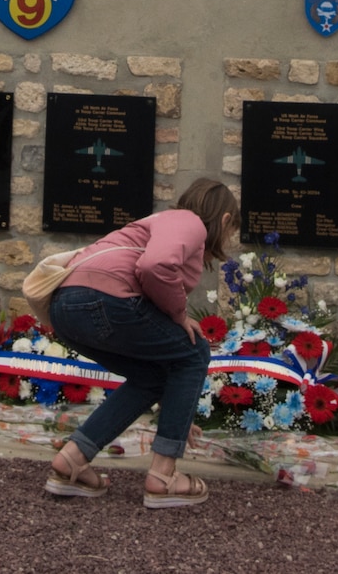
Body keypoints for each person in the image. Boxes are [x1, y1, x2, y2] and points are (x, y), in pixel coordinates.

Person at [43, 178, 237, 509]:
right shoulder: (189, 222)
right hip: (103, 302)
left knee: (152, 377)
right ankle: (163, 476)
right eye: (232, 230)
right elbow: (155, 265)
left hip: (65, 308)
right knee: (194, 352)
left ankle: (71, 461)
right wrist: (179, 315)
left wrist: (179, 412)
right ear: (225, 220)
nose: (230, 239)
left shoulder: (156, 222)